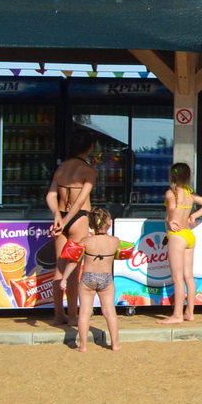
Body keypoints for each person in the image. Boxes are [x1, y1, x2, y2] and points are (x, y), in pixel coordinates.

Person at [45, 132, 98, 326]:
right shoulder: (89, 170)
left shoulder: (62, 167)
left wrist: (58, 217)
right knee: (73, 269)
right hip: (78, 218)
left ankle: (58, 314)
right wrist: (66, 220)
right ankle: (73, 315)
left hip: (60, 214)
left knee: (59, 268)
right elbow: (81, 200)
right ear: (89, 148)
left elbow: (50, 195)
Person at [157, 162, 202, 325]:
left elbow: (173, 207)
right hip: (189, 235)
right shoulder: (190, 195)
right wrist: (193, 216)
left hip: (177, 236)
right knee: (189, 276)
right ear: (188, 177)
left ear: (172, 176)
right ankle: (190, 311)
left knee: (177, 277)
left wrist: (170, 220)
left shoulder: (171, 193)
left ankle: (177, 315)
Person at [75, 207, 125, 353]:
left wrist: (65, 278)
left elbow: (73, 259)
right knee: (110, 312)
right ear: (109, 223)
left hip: (88, 277)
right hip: (106, 278)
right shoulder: (115, 241)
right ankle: (115, 344)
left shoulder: (85, 240)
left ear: (90, 225)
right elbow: (122, 254)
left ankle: (83, 346)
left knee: (84, 312)